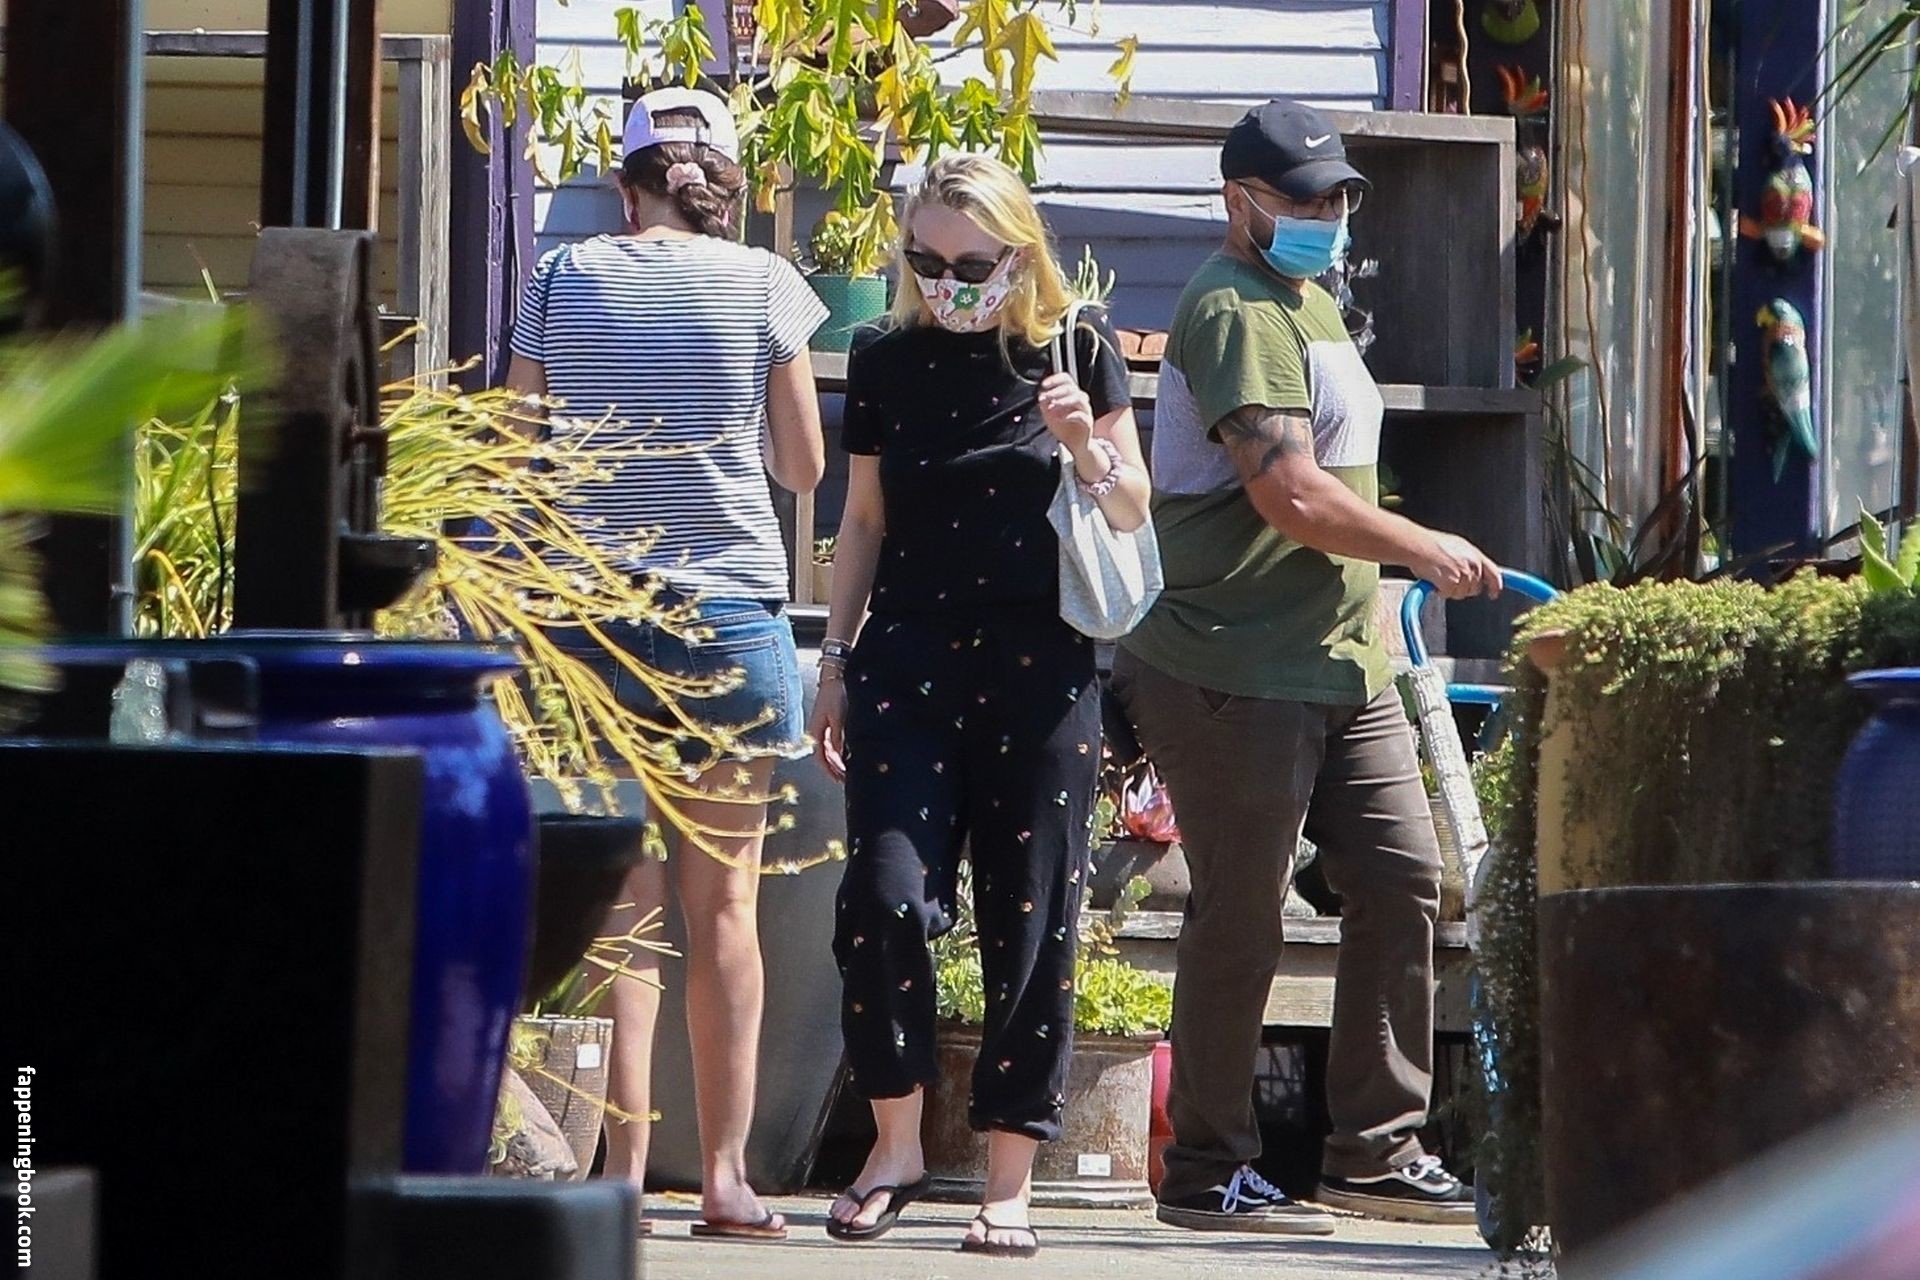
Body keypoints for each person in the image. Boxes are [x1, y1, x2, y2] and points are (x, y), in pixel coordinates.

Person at [1110, 98, 1499, 1232]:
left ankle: (1374, 1152)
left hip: (1340, 661)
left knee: (1403, 875)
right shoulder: (1230, 306)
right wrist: (1420, 545)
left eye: (1337, 197)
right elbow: (1288, 490)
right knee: (1243, 913)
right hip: (1231, 663)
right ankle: (1208, 1166)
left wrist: (1386, 571)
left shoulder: (1311, 299)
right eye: (1302, 198)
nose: (1326, 214)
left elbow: (1334, 479)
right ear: (1238, 202)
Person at [808, 153, 1150, 1258]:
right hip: (907, 658)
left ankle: (1009, 1178)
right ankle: (896, 1142)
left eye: (971, 263)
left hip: (1040, 664)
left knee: (1031, 915)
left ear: (1019, 253)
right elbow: (863, 518)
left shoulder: (1075, 346)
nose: (947, 281)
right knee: (883, 895)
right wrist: (834, 662)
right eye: (926, 260)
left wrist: (1083, 443)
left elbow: (1134, 506)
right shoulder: (882, 356)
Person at [504, 85, 828, 1241]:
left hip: (592, 621)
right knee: (725, 909)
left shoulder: (560, 278)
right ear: (726, 184)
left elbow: (516, 447)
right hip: (728, 619)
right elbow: (801, 467)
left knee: (621, 917)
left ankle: (624, 1175)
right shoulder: (767, 284)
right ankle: (729, 1177)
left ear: (623, 184)